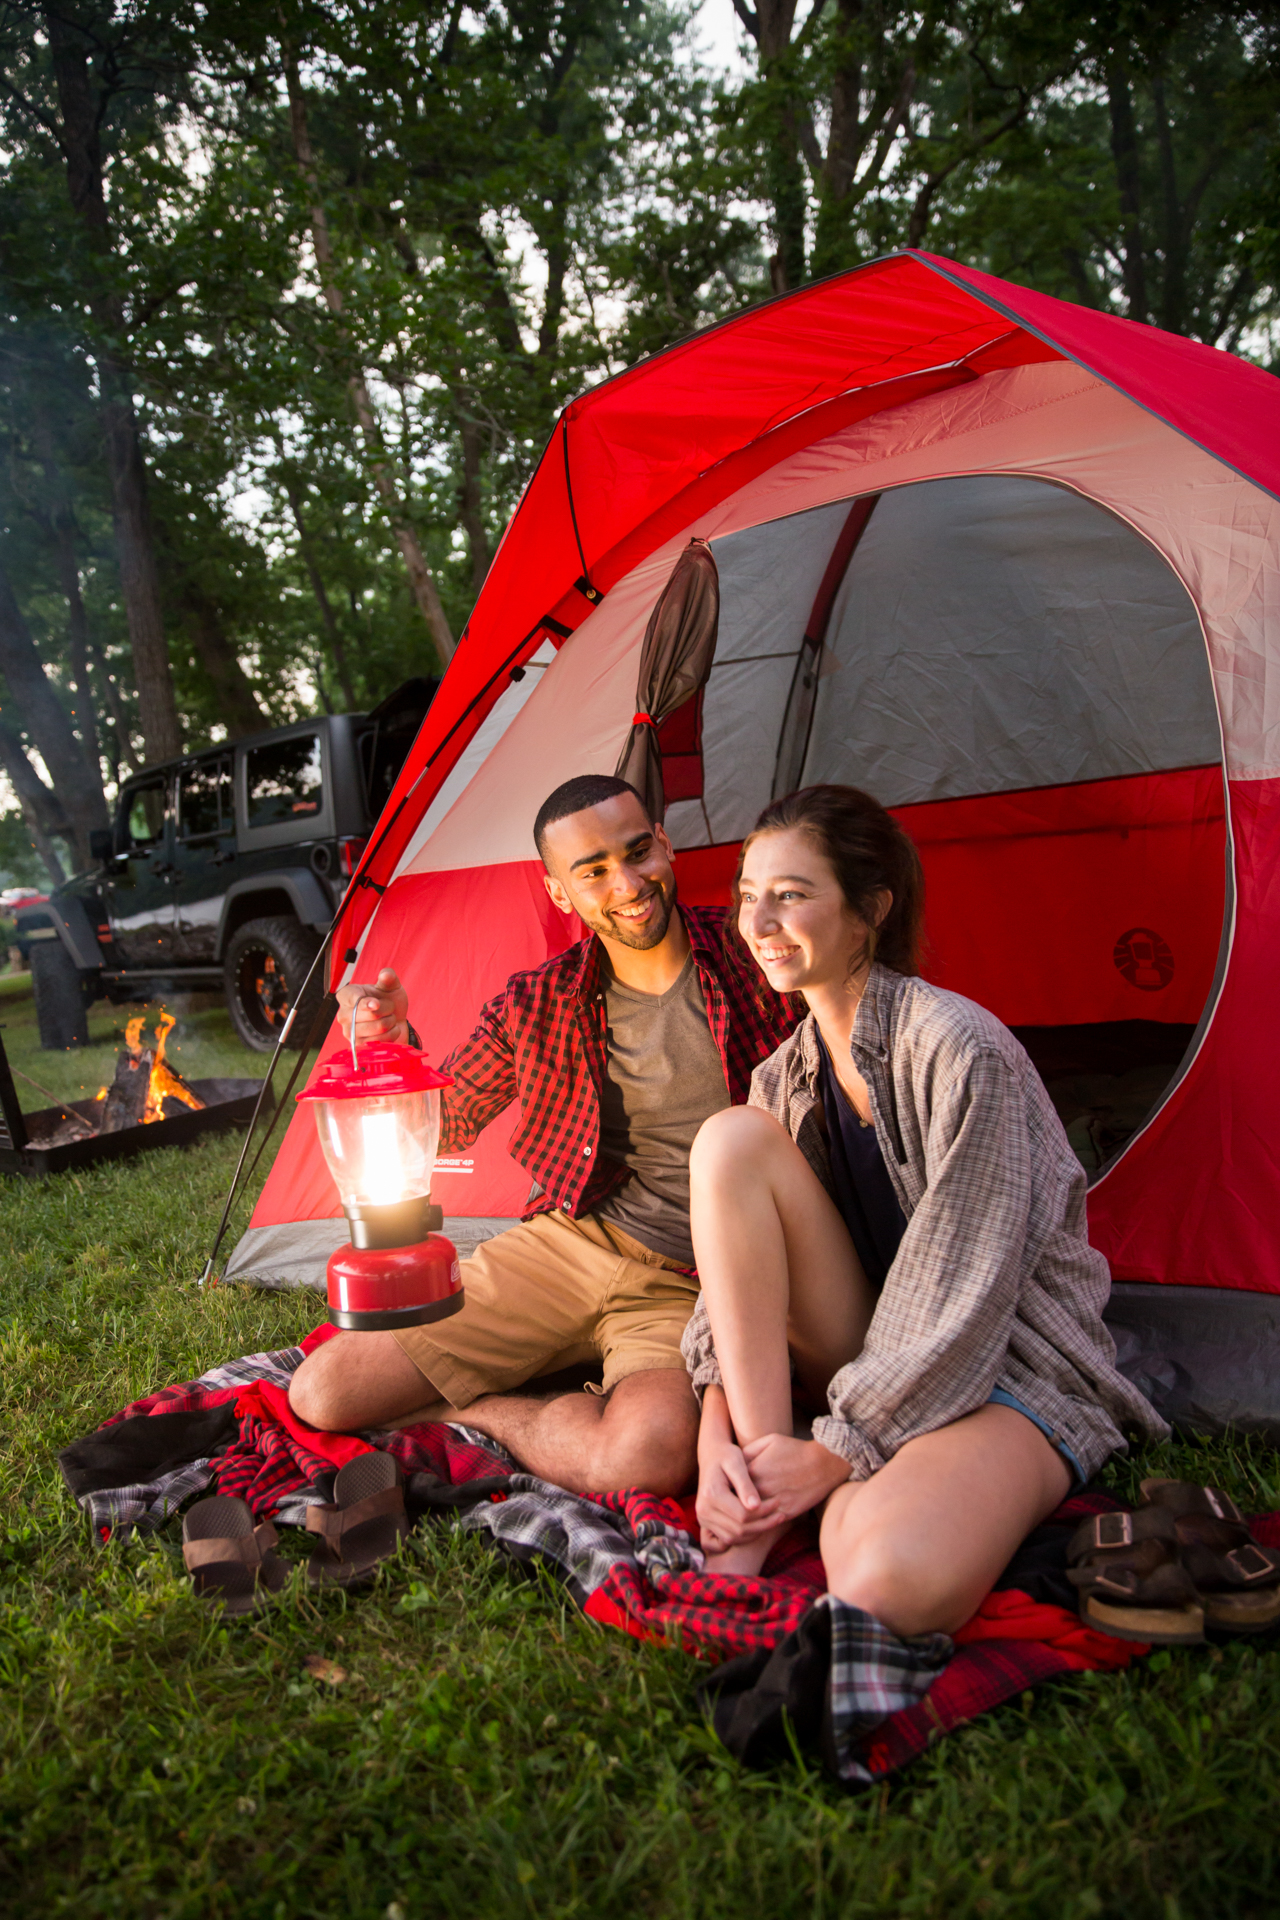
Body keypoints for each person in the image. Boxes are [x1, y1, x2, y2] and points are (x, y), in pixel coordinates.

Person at [682, 784, 1168, 1635]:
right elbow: (724, 1297)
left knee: (881, 1586)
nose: (759, 922)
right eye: (749, 896)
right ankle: (765, 1498)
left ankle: (822, 1484)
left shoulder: (960, 1047)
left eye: (791, 895)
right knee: (729, 1141)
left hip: (1009, 1364)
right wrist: (716, 1444)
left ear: (869, 909)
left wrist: (838, 1447)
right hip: (874, 1351)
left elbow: (967, 1288)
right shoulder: (783, 1075)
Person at [288, 773, 799, 1495]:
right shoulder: (537, 1002)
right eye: (592, 872)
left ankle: (482, 1415)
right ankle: (511, 1408)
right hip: (568, 1243)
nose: (627, 883)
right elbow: (447, 1125)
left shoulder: (757, 962)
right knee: (324, 1392)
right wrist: (392, 1051)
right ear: (561, 892)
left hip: (695, 1283)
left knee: (644, 1458)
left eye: (636, 852)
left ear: (665, 844)